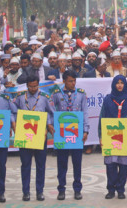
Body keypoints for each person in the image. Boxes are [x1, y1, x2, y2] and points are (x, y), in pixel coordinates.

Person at [13, 75, 54, 201]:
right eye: (30, 86)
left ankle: (39, 191)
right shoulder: (20, 98)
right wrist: (15, 124)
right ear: (27, 85)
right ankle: (26, 192)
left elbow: (51, 113)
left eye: (35, 86)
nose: (33, 88)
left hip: (40, 135)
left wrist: (49, 125)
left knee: (40, 165)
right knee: (25, 165)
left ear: (38, 85)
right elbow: (14, 112)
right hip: (25, 135)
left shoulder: (44, 97)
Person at [51, 70, 89, 201]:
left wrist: (86, 130)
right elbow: (51, 111)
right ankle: (61, 189)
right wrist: (51, 125)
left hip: (76, 133)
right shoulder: (56, 94)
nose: (73, 83)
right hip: (62, 133)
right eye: (70, 81)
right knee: (62, 163)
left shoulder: (81, 94)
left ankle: (77, 189)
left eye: (74, 81)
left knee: (77, 163)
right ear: (64, 81)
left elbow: (85, 112)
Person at [98, 75, 127, 199]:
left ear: (125, 85)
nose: (119, 85)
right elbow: (102, 117)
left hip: (125, 136)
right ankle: (111, 189)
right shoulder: (108, 99)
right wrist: (101, 136)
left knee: (123, 165)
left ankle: (121, 190)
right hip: (110, 136)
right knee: (111, 165)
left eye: (122, 83)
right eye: (117, 83)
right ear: (114, 84)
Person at [0, 78, 16, 203]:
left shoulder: (5, 99)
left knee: (1, 165)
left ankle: (1, 192)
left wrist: (12, 125)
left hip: (1, 136)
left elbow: (12, 113)